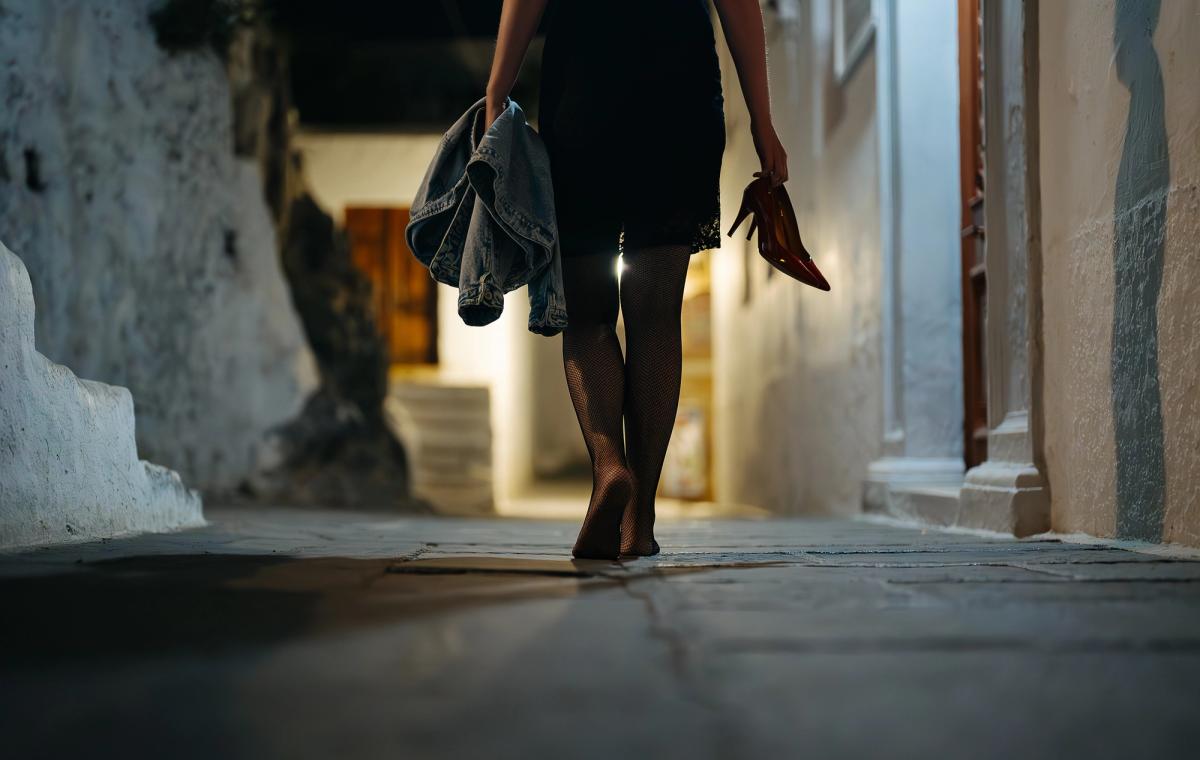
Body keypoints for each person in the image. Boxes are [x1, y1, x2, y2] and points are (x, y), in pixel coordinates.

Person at [486, 0, 788, 559]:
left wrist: (497, 89)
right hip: (680, 90)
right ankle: (639, 520)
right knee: (655, 318)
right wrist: (763, 123)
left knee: (587, 315)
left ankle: (607, 465)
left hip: (584, 86)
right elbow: (740, 8)